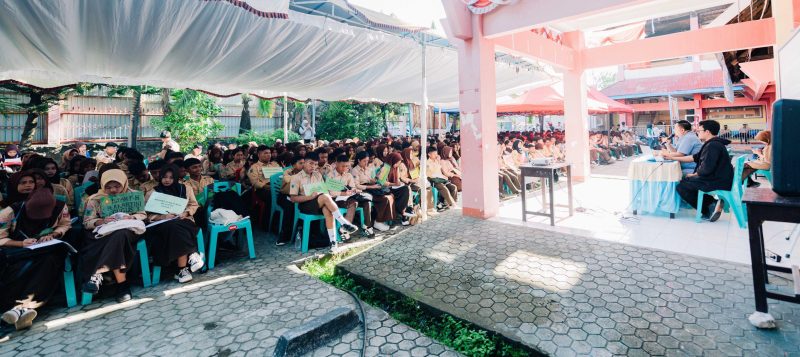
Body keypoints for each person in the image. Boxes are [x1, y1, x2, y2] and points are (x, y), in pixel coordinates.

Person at [0, 188, 71, 330]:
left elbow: (65, 224)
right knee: (24, 269)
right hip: (19, 253)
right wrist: (20, 243)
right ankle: (23, 308)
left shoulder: (60, 206)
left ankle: (19, 309)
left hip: (46, 250)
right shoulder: (10, 212)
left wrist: (54, 235)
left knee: (49, 264)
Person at [81, 169, 147, 302]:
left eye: (117, 186)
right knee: (116, 239)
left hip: (129, 230)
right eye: (108, 187)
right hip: (105, 232)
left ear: (124, 183)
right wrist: (102, 221)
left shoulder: (133, 195)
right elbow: (87, 222)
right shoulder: (94, 199)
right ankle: (122, 285)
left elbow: (143, 214)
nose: (113, 190)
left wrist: (132, 216)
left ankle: (98, 272)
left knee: (120, 235)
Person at [143, 164, 204, 283]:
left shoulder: (185, 188)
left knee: (177, 226)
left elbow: (193, 204)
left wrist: (186, 213)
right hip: (162, 225)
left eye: (171, 177)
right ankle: (190, 257)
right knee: (173, 226)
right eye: (164, 177)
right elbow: (146, 214)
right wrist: (162, 216)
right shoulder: (152, 192)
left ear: (176, 178)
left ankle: (182, 269)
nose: (167, 180)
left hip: (184, 221)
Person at [290, 152, 358, 251]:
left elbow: (324, 190)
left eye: (315, 164)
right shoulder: (296, 178)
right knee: (325, 197)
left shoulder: (318, 175)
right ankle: (343, 222)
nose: (313, 166)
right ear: (304, 162)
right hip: (305, 205)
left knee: (327, 209)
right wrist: (309, 197)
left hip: (319, 203)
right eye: (310, 163)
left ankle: (333, 242)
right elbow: (293, 198)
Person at [674, 120, 733, 222]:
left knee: (682, 186)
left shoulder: (712, 146)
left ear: (707, 132)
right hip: (719, 177)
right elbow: (694, 157)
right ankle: (711, 204)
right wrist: (674, 158)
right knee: (687, 181)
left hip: (717, 180)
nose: (698, 132)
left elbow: (706, 169)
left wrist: (694, 175)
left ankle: (708, 207)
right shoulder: (712, 143)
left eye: (700, 130)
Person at [352, 151, 395, 231]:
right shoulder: (355, 171)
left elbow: (370, 180)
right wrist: (372, 187)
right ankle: (378, 221)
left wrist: (377, 177)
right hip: (363, 190)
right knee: (384, 199)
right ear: (358, 160)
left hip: (372, 187)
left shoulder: (368, 169)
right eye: (364, 161)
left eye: (367, 161)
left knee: (390, 196)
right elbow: (357, 185)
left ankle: (383, 220)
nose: (366, 163)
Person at [247, 145, 281, 219]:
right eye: (265, 153)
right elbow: (255, 183)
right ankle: (268, 222)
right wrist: (268, 187)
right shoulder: (254, 167)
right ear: (259, 154)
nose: (268, 155)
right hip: (262, 190)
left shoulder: (275, 165)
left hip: (277, 187)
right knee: (272, 196)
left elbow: (282, 177)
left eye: (269, 153)